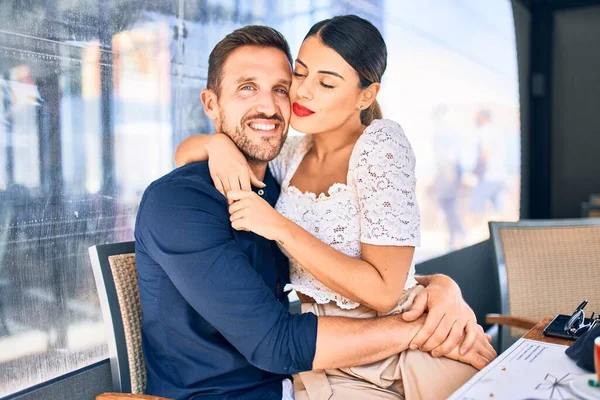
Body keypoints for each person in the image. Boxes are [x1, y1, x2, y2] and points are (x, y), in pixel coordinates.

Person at [136, 23, 495, 400]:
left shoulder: (275, 177)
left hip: (313, 366)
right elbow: (276, 343)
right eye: (247, 88)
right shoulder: (188, 201)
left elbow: (382, 275)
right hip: (272, 377)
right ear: (210, 104)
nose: (272, 104)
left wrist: (442, 287)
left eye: (280, 87)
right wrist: (216, 144)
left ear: (365, 95)